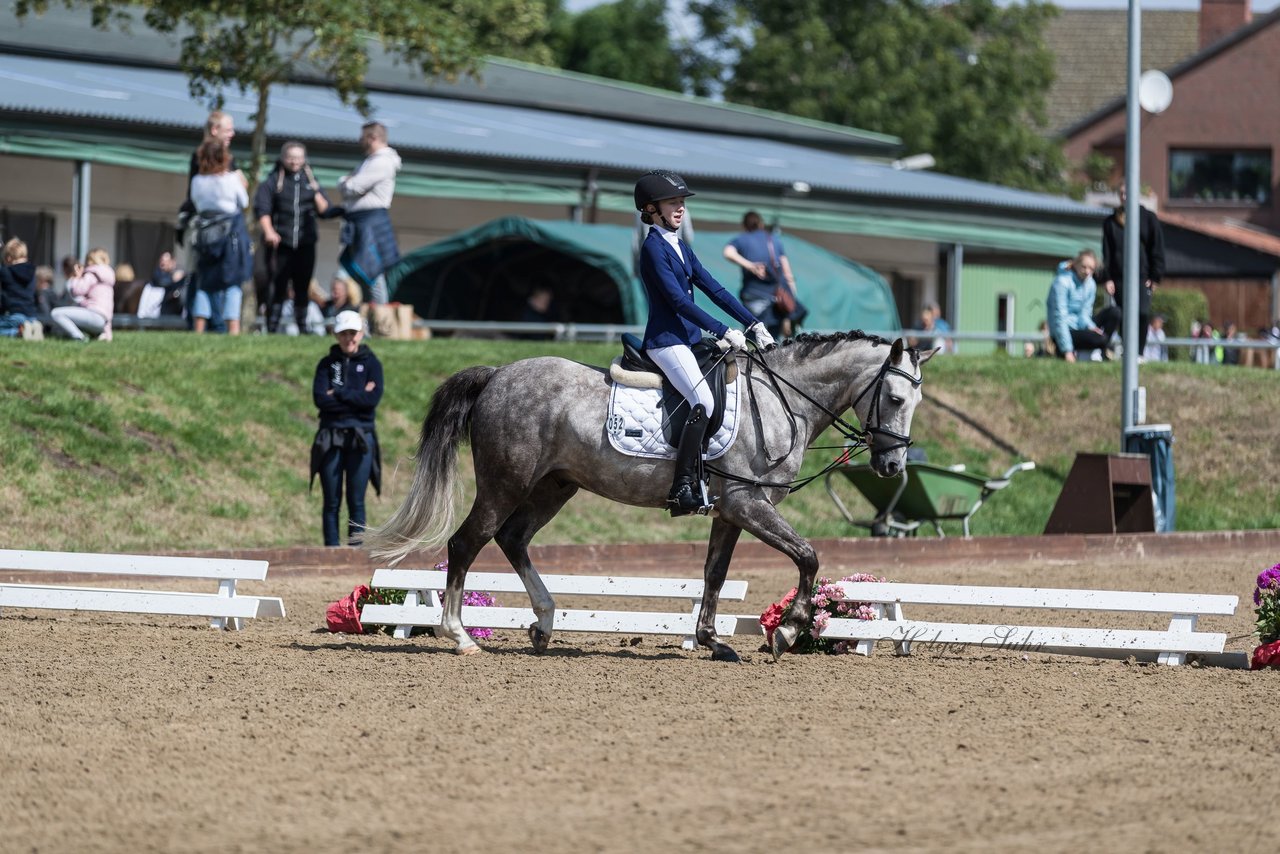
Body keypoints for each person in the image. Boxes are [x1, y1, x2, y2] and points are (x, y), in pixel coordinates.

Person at [634, 170, 774, 516]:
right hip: (667, 341)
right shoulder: (653, 248)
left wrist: (753, 323)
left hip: (690, 339)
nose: (680, 208)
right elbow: (679, 303)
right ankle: (682, 486)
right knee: (704, 401)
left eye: (682, 202)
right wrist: (724, 330)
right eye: (673, 203)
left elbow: (715, 288)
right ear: (652, 209)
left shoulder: (680, 246)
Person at [310, 310, 383, 547]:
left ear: (361, 334)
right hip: (331, 436)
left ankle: (356, 551)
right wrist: (359, 396)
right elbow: (321, 399)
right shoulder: (326, 364)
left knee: (356, 500)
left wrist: (338, 393)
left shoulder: (372, 364)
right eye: (343, 333)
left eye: (353, 333)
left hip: (361, 437)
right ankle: (331, 550)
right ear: (336, 335)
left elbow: (371, 402)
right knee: (331, 500)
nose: (348, 338)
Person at [254, 141, 339, 334]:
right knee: (278, 288)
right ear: (283, 158)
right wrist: (269, 231)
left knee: (302, 287)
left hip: (305, 244)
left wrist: (316, 191)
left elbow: (325, 210)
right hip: (281, 244)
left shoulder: (310, 181)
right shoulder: (274, 181)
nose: (294, 162)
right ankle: (272, 328)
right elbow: (263, 208)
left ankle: (303, 328)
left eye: (298, 158)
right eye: (291, 157)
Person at [189, 140, 252, 335]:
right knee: (232, 282)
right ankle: (233, 328)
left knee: (205, 282)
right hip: (230, 237)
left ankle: (199, 327)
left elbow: (196, 203)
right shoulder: (231, 179)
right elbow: (244, 201)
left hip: (205, 236)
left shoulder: (197, 181)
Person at [338, 121, 401, 306]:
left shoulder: (382, 162)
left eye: (363, 137)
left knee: (373, 274)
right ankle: (369, 323)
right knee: (363, 274)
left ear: (373, 138)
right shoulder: (370, 161)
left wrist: (345, 181)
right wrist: (347, 182)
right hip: (361, 222)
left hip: (370, 223)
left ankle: (380, 324)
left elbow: (353, 187)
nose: (359, 140)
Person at [1100, 183, 1166, 357]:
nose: (1124, 197)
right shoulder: (1111, 222)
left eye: (1127, 193)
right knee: (1125, 314)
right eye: (1121, 193)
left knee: (1142, 313)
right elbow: (1107, 252)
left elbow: (1156, 248)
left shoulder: (1148, 218)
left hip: (1142, 276)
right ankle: (1128, 352)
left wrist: (1155, 276)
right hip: (1119, 277)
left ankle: (1139, 353)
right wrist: (1107, 278)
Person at [723, 210, 799, 339]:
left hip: (753, 296)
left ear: (744, 225)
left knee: (753, 338)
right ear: (761, 224)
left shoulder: (741, 239)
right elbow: (787, 273)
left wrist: (749, 265)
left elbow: (727, 252)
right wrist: (792, 297)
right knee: (773, 342)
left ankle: (752, 358)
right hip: (776, 298)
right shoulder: (774, 240)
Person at [1046, 249, 1121, 363]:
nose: (1087, 271)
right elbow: (1059, 319)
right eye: (1084, 267)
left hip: (1080, 326)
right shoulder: (1062, 282)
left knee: (1115, 312)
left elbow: (1085, 313)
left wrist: (1090, 327)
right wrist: (1067, 351)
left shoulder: (1090, 284)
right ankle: (1071, 351)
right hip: (1064, 330)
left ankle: (1100, 352)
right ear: (1075, 264)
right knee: (1100, 339)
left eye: (1091, 268)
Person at [50, 247, 115, 341]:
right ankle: (92, 335)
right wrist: (108, 333)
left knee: (56, 313)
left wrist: (76, 277)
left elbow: (77, 291)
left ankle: (79, 337)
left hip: (93, 316)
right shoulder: (108, 279)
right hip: (103, 322)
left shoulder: (91, 274)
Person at [0, 237, 41, 339]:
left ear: (8, 258)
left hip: (14, 315)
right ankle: (32, 328)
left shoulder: (6, 272)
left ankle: (19, 332)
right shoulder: (32, 273)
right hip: (32, 315)